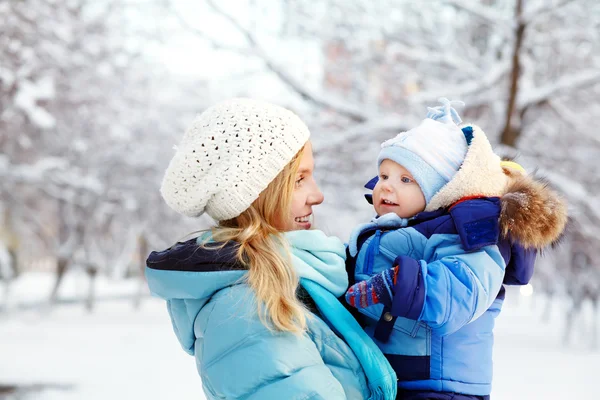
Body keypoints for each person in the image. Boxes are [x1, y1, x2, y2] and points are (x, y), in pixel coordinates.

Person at [145, 98, 397, 400]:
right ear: (257, 193)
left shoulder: (300, 280)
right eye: (298, 180)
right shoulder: (245, 308)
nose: (317, 196)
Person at [344, 99, 568, 400]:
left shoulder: (467, 226)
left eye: (406, 179)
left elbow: (465, 287)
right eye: (384, 176)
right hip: (407, 377)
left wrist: (400, 284)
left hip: (441, 384)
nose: (386, 187)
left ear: (441, 188)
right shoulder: (400, 229)